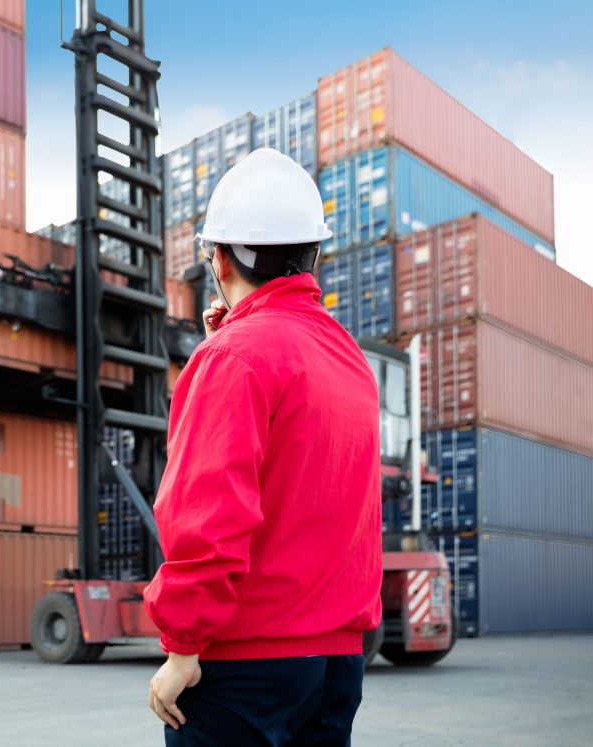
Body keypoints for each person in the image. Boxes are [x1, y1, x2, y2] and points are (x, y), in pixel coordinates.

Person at [144, 148, 383, 746]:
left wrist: (182, 647)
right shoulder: (347, 357)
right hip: (335, 666)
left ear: (219, 259)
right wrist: (231, 340)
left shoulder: (233, 359)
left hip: (245, 669)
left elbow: (207, 516)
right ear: (314, 255)